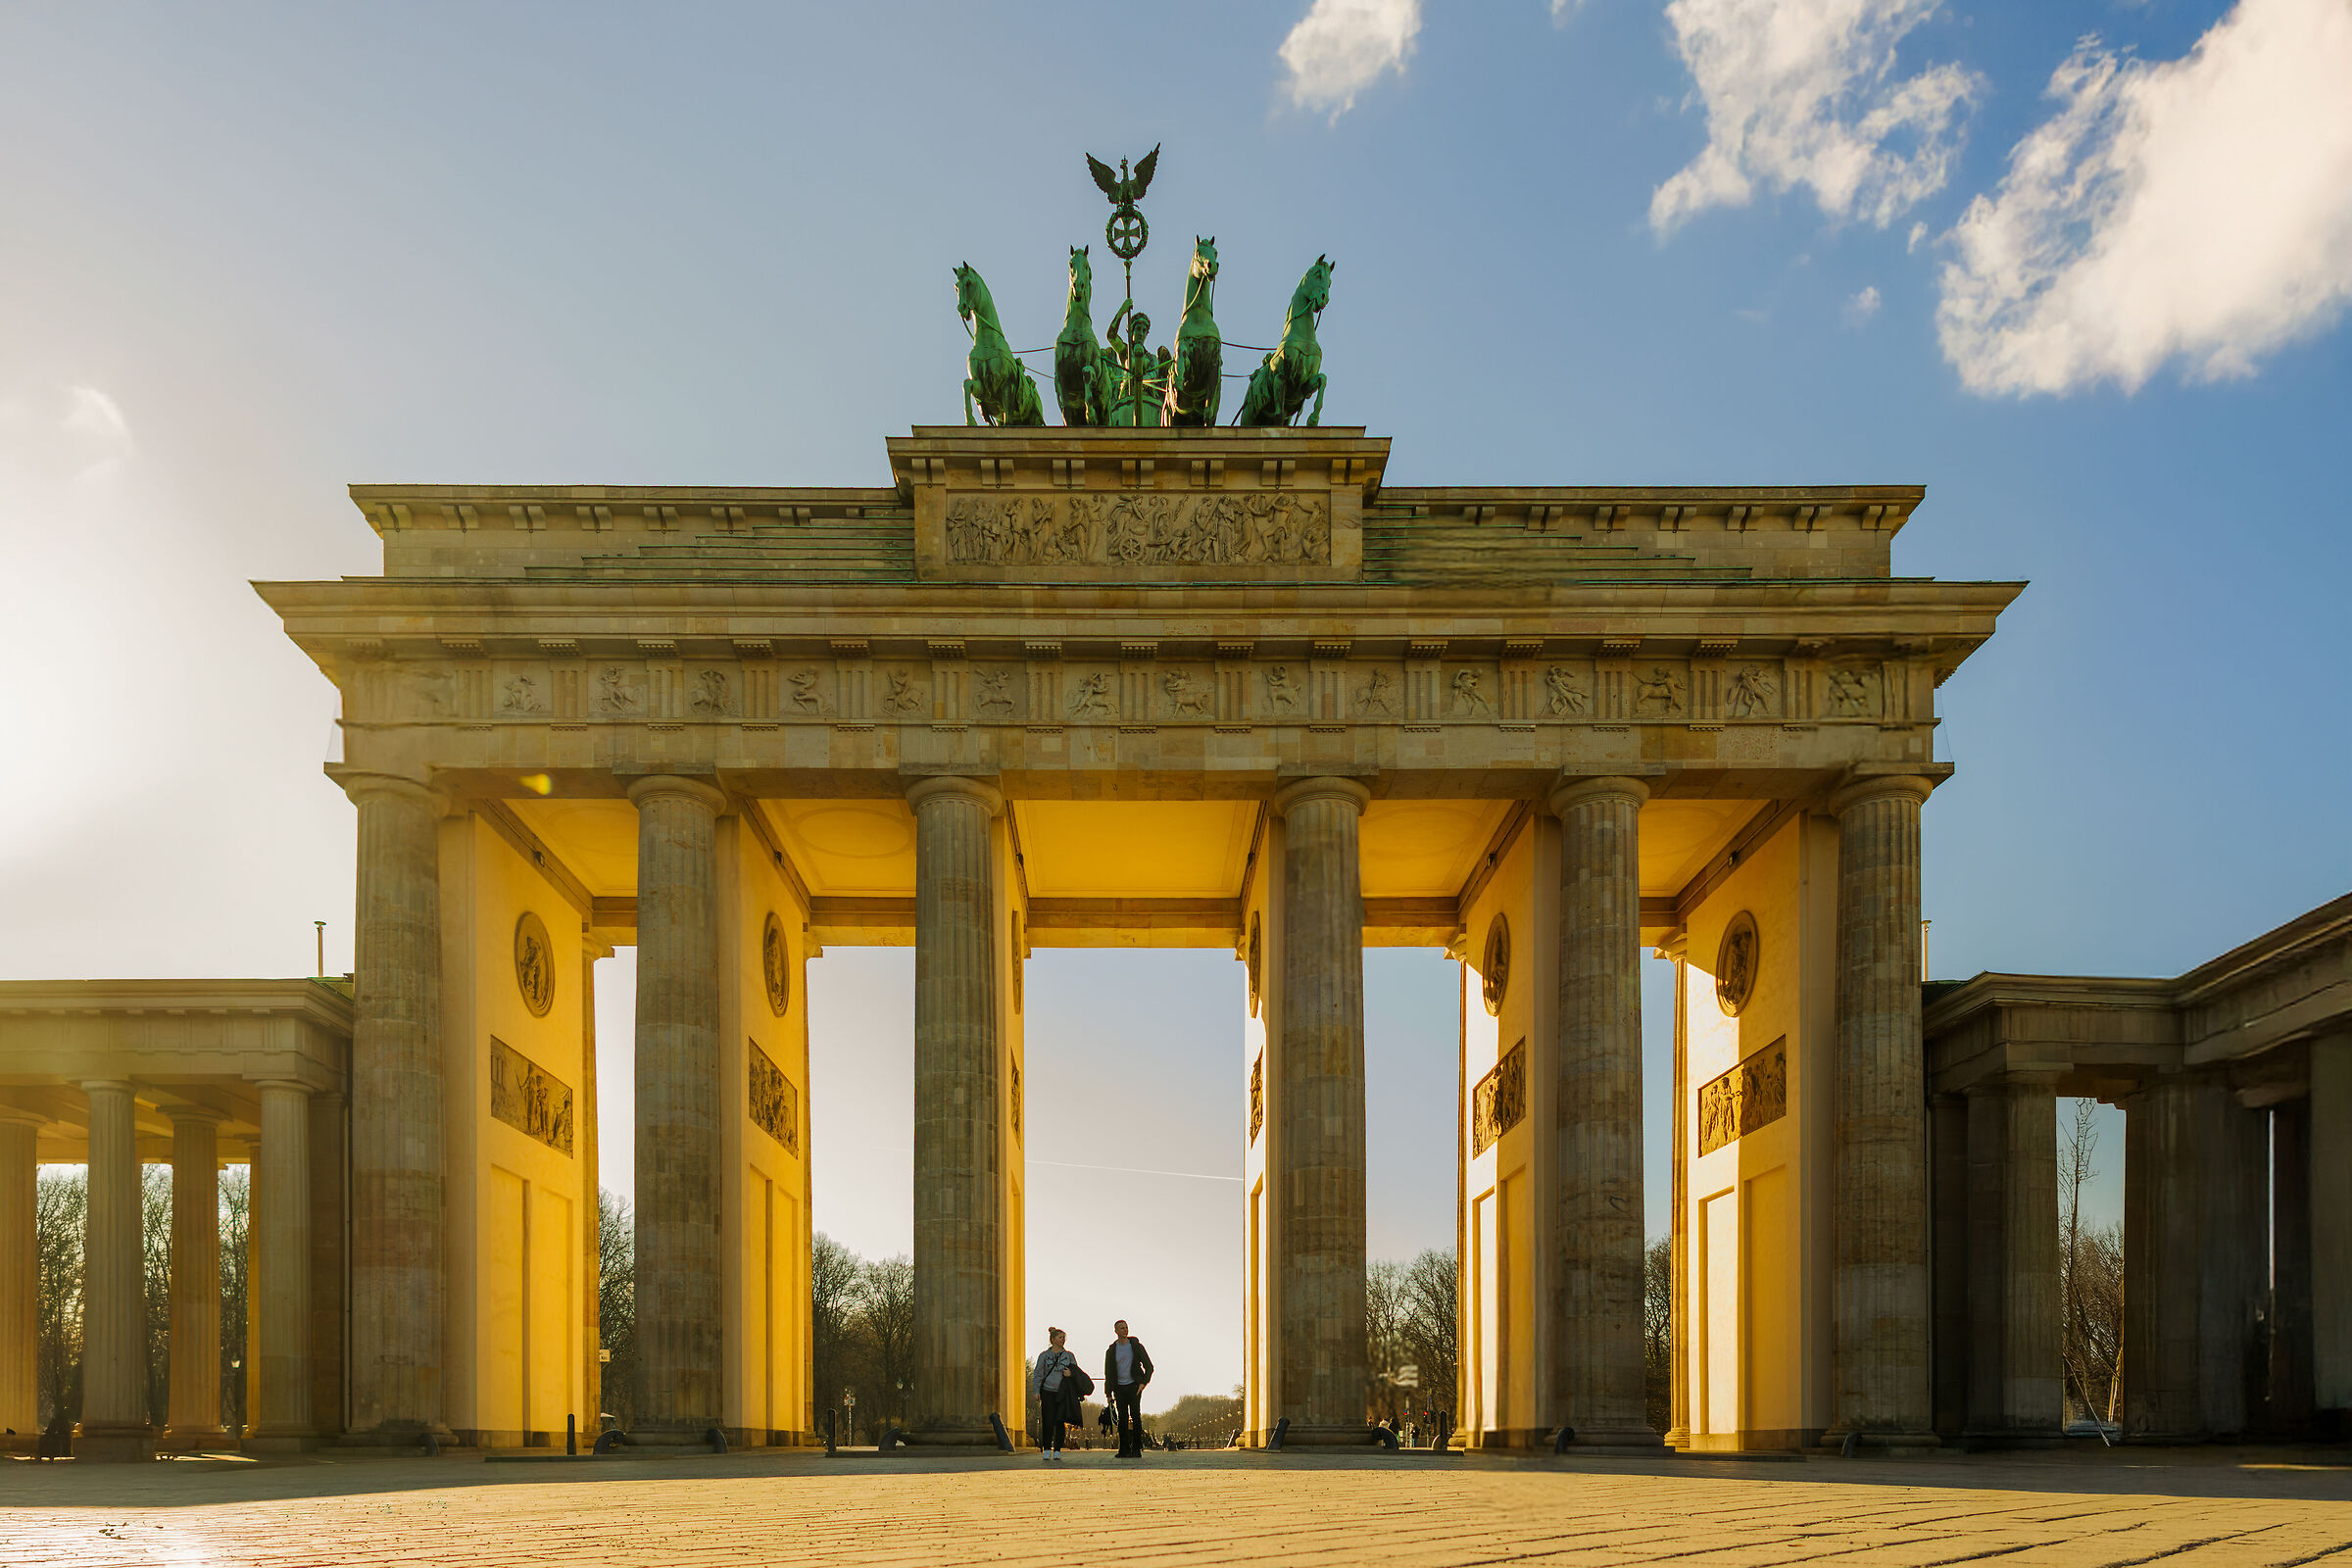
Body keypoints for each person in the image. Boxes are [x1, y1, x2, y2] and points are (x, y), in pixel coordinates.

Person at [1103, 1319, 1153, 1458]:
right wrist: (1108, 1392)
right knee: (1122, 1419)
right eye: (1122, 1328)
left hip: (1134, 1387)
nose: (1125, 1330)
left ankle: (1136, 1449)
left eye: (1126, 1327)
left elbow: (1149, 1366)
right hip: (1119, 1388)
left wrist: (1143, 1383)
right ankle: (1123, 1449)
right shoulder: (1111, 1351)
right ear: (1116, 1331)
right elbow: (1108, 1372)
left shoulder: (1136, 1346)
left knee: (1136, 1417)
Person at [1030, 1327, 1080, 1462]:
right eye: (1060, 1337)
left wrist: (1071, 1374)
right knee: (1047, 1420)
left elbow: (1076, 1372)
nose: (1063, 1340)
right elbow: (1038, 1374)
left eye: (1064, 1337)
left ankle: (1057, 1449)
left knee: (1060, 1421)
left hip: (1062, 1393)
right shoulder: (1044, 1356)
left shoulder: (1069, 1356)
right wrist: (1036, 1391)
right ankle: (1047, 1449)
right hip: (1047, 1392)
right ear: (1052, 1340)